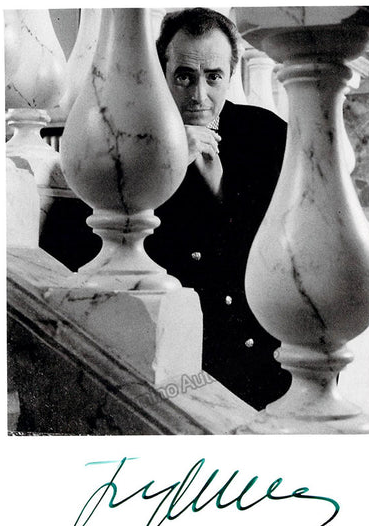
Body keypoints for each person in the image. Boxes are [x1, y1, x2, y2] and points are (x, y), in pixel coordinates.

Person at [145, 8, 292, 411]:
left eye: (213, 77)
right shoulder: (134, 144)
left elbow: (296, 249)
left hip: (268, 363)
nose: (199, 95)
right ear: (163, 73)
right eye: (184, 77)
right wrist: (169, 163)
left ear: (231, 74)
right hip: (182, 370)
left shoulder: (269, 136)